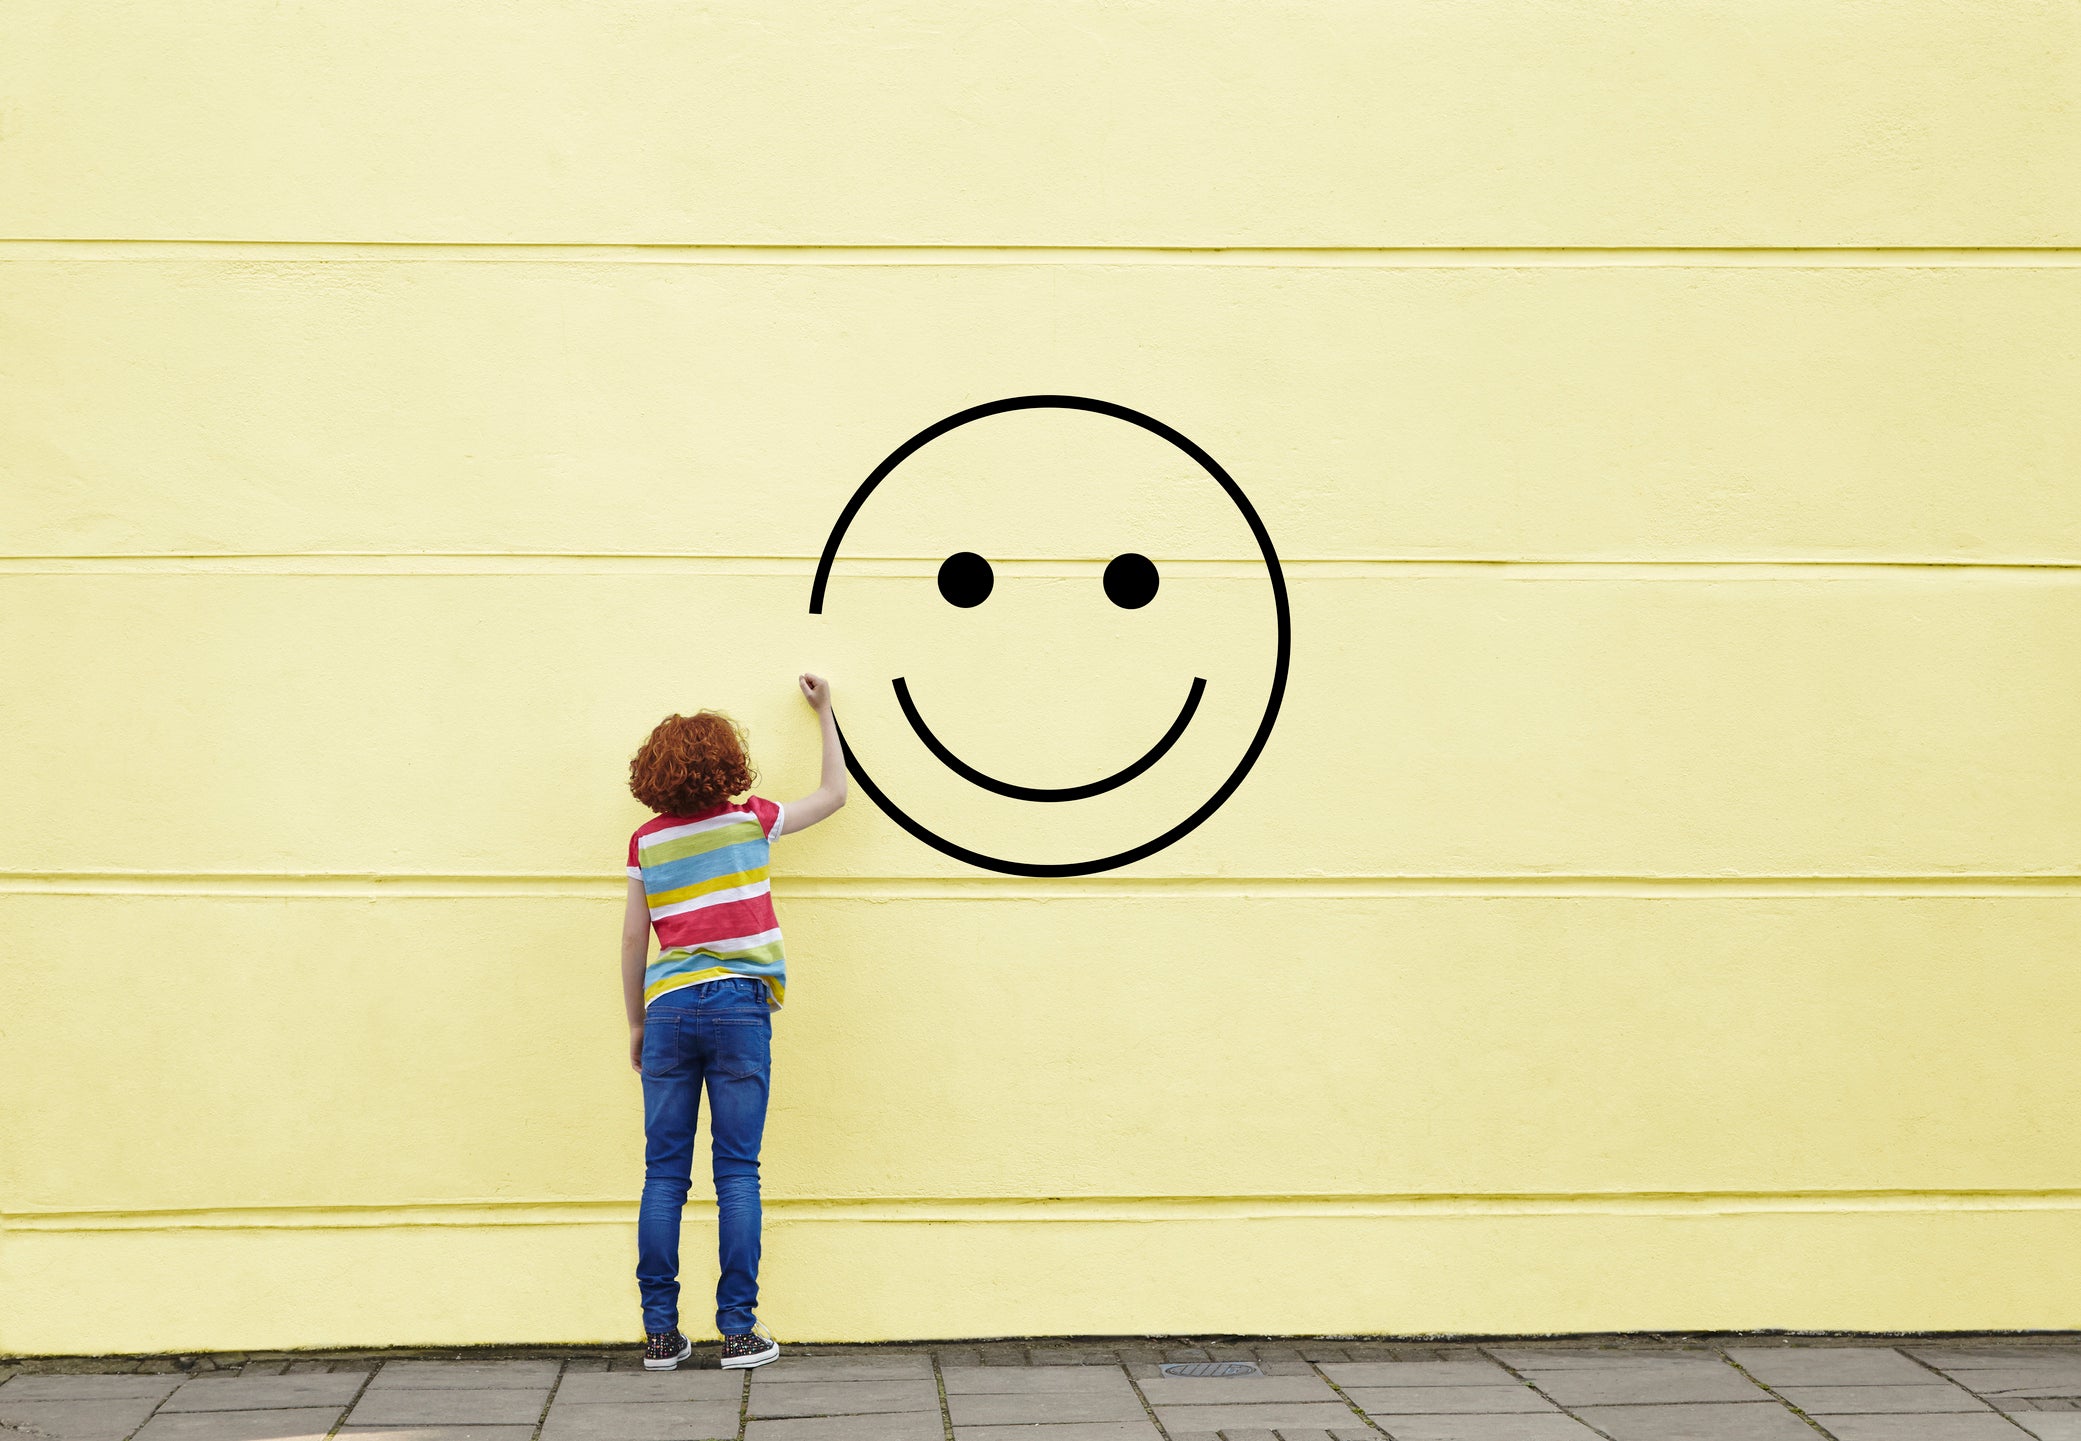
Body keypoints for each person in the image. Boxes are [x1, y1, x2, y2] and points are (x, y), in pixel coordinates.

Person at [621, 674, 846, 1370]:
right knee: (737, 1171)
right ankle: (739, 1332)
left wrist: (636, 1023)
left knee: (664, 1173)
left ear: (654, 771)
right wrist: (826, 711)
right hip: (740, 1009)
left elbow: (633, 939)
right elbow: (834, 794)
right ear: (728, 763)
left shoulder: (646, 843)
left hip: (668, 1007)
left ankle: (661, 1335)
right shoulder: (752, 821)